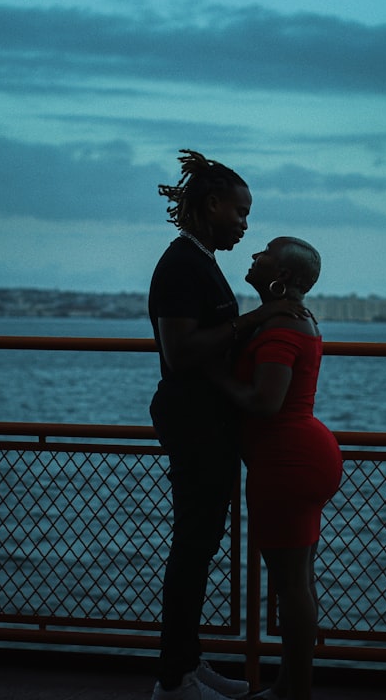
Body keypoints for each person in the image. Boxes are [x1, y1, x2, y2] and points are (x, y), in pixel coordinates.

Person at [148, 150, 302, 700]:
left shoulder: (200, 262)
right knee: (193, 546)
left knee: (200, 542)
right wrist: (257, 319)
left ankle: (187, 663)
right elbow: (181, 349)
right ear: (211, 205)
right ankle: (174, 681)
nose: (245, 224)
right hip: (193, 421)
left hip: (206, 421)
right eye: (240, 212)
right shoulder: (181, 265)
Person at [210, 237, 344, 700]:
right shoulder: (297, 318)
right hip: (302, 455)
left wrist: (213, 374)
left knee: (290, 586)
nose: (253, 256)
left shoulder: (283, 327)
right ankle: (291, 688)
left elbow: (264, 402)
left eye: (264, 252)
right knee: (298, 582)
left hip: (287, 461)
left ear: (281, 275)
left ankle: (294, 694)